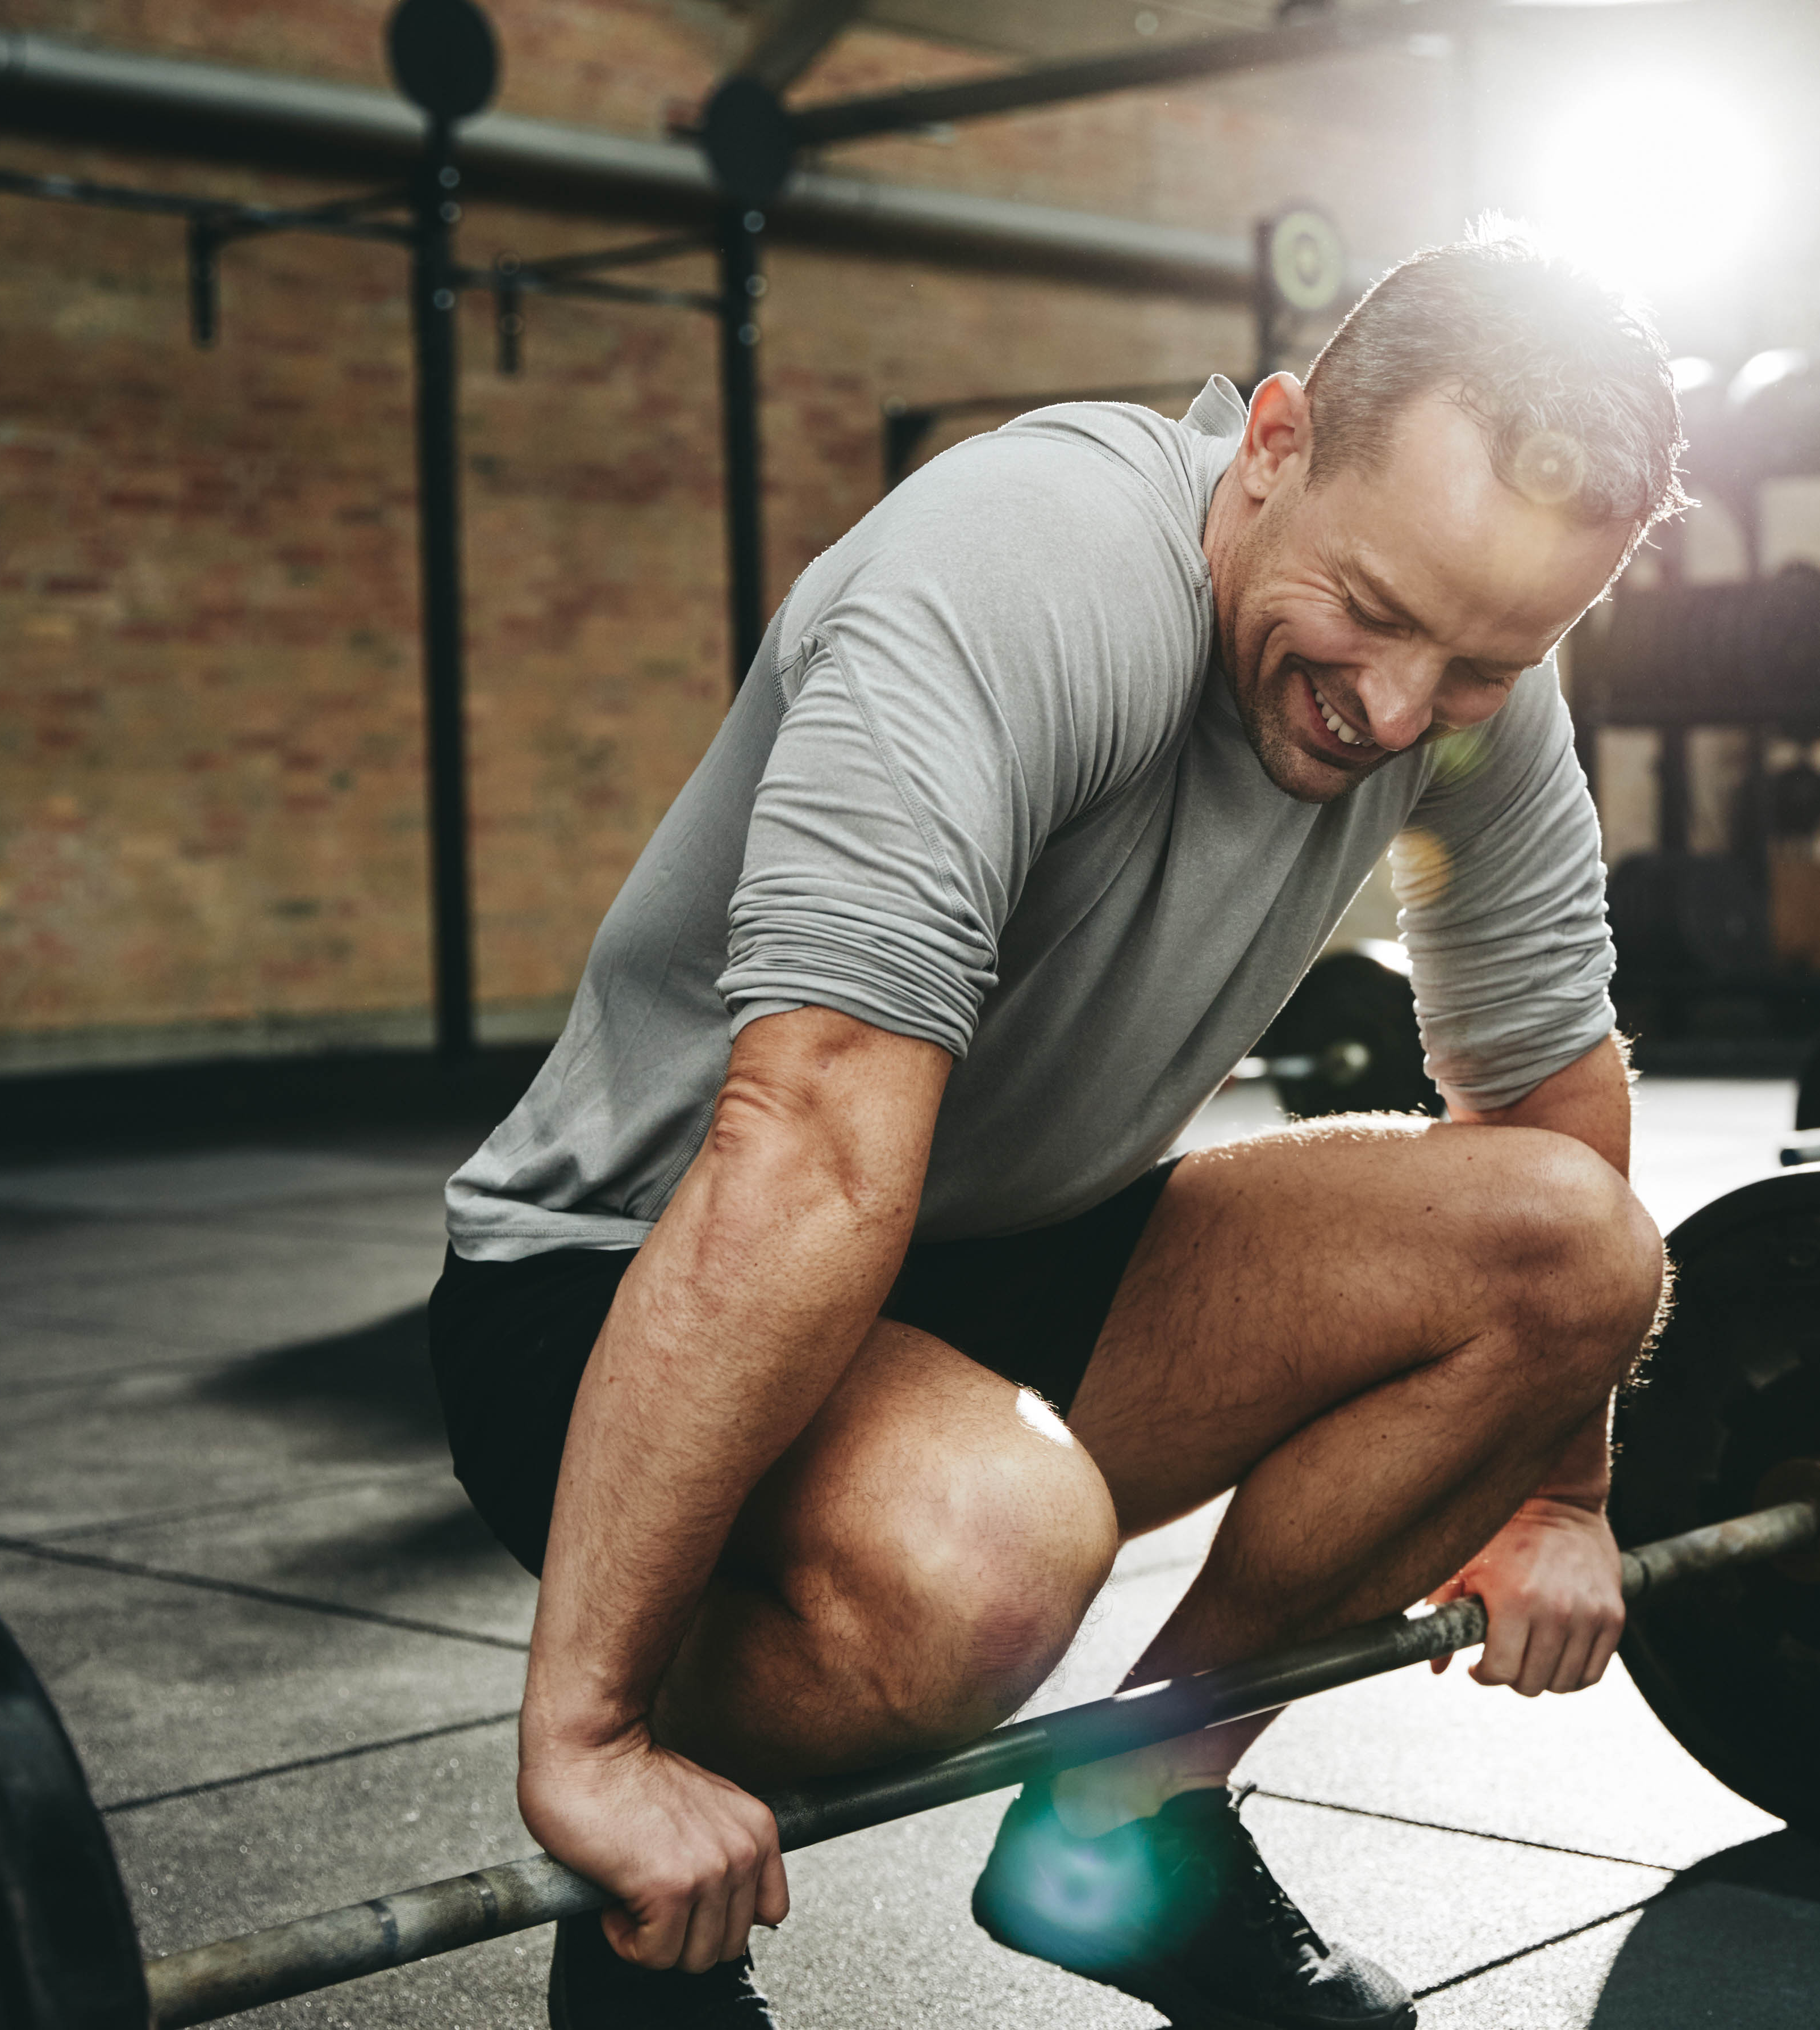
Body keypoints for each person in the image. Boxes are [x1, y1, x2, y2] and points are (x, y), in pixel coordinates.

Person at [424, 225, 1681, 2030]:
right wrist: (588, 1742)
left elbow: (1551, 1088)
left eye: (1481, 660)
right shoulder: (1023, 572)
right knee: (983, 1567)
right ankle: (638, 1897)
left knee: (1575, 1253)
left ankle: (1132, 1817)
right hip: (623, 1274)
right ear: (1270, 443)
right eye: (1378, 613)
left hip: (1004, 1257)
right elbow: (812, 1140)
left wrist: (1561, 1491)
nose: (1401, 711)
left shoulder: (1471, 703)